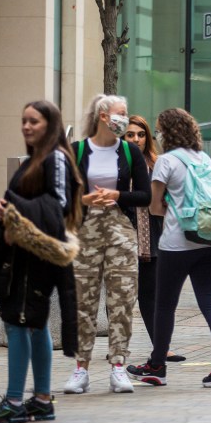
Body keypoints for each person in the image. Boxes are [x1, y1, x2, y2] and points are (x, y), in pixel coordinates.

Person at [0, 100, 83, 423]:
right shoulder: (39, 158)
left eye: (33, 121)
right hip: (24, 253)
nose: (26, 126)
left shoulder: (55, 158)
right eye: (23, 120)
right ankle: (41, 399)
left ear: (49, 125)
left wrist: (11, 207)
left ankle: (15, 401)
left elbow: (57, 205)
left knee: (20, 321)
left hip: (38, 254)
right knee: (30, 323)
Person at [126, 108, 211, 388]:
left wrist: (168, 206)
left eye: (158, 130)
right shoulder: (203, 159)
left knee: (164, 305)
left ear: (168, 132)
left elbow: (153, 206)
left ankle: (156, 366)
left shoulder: (166, 161)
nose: (157, 135)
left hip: (179, 242)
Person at [65, 95, 150, 395]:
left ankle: (118, 365)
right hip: (85, 231)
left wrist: (116, 196)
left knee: (122, 300)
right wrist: (85, 199)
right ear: (103, 116)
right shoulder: (76, 151)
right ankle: (81, 368)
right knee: (83, 301)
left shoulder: (129, 152)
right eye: (120, 114)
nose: (124, 119)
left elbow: (145, 196)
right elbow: (62, 196)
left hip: (120, 229)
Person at [125, 115, 183, 361]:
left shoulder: (156, 162)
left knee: (152, 296)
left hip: (154, 239)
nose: (136, 139)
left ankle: (161, 347)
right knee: (122, 296)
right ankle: (118, 349)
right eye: (130, 134)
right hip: (123, 238)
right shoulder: (117, 163)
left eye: (140, 135)